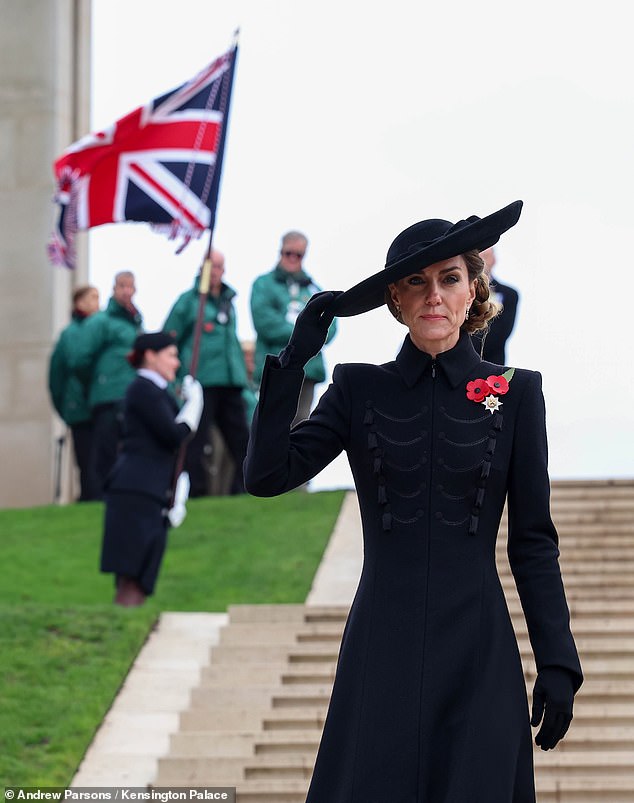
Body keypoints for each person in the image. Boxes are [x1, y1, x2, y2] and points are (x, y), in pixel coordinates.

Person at [244, 200, 582, 802]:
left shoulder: (516, 394)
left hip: (479, 647)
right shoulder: (356, 385)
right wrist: (294, 361)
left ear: (473, 289)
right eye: (416, 283)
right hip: (382, 643)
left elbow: (533, 542)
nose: (434, 296)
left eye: (449, 279)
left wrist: (557, 663)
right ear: (395, 300)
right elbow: (268, 474)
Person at [100, 332, 203, 607]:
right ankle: (124, 620)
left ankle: (128, 616)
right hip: (136, 488)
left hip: (150, 489)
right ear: (150, 356)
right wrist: (194, 407)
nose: (177, 363)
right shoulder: (142, 389)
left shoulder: (157, 392)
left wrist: (177, 492)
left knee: (145, 570)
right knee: (133, 570)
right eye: (170, 355)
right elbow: (172, 435)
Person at [163, 250, 250, 497]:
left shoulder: (228, 301)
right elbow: (170, 339)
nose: (215, 272)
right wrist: (179, 378)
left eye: (220, 267)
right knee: (196, 441)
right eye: (211, 266)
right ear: (202, 268)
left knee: (241, 439)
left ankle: (247, 489)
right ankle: (197, 492)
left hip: (230, 382)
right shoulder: (189, 302)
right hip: (202, 382)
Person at [250, 230, 337, 426]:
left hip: (308, 371)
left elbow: (331, 325)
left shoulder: (313, 289)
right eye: (288, 253)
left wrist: (303, 332)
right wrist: (303, 332)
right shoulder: (263, 284)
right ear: (280, 251)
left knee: (299, 427)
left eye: (298, 255)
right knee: (270, 425)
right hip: (275, 368)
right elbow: (264, 323)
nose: (292, 258)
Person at [70, 271, 143, 497]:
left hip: (131, 397)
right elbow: (79, 359)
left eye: (130, 286)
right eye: (122, 286)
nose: (126, 291)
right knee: (105, 454)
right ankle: (103, 498)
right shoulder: (100, 321)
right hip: (107, 399)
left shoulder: (135, 323)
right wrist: (98, 382)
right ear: (113, 289)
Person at [48, 285, 101, 501]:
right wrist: (67, 409)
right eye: (92, 298)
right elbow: (57, 376)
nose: (97, 302)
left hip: (103, 407)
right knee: (87, 462)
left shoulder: (103, 329)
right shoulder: (70, 335)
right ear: (79, 303)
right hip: (80, 410)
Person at [471, 245, 520, 363]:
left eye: (485, 257)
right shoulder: (460, 293)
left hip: (493, 365)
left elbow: (501, 333)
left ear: (494, 259)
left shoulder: (509, 294)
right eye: (478, 258)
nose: (482, 262)